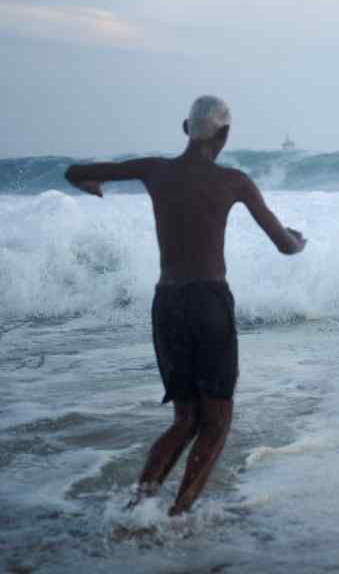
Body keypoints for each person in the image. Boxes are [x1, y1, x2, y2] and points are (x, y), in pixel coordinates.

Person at [64, 96, 306, 515]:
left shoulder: (155, 170)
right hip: (209, 303)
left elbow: (75, 172)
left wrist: (91, 185)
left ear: (185, 128)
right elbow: (284, 246)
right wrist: (297, 238)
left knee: (185, 419)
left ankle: (139, 510)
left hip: (167, 303)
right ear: (225, 134)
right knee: (217, 421)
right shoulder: (234, 181)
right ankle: (178, 516)